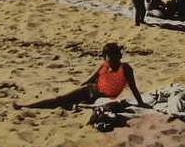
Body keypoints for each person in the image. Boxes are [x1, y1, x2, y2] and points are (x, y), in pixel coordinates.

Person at [15, 43, 148, 109]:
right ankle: (26, 107)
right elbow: (88, 81)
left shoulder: (125, 68)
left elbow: (133, 88)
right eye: (109, 58)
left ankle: (74, 103)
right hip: (90, 91)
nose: (112, 60)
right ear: (105, 58)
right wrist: (76, 90)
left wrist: (141, 103)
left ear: (119, 56)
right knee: (60, 100)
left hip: (101, 96)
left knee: (68, 103)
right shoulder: (104, 66)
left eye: (114, 57)